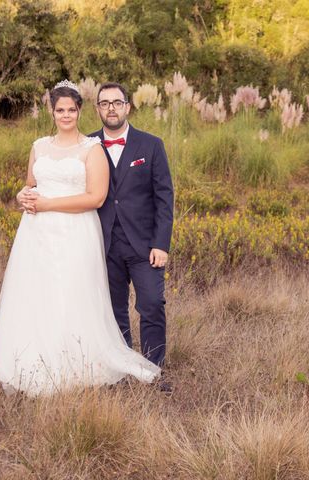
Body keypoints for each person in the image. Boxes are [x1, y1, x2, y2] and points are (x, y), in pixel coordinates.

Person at [0, 80, 160, 397]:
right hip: (36, 234)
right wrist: (21, 197)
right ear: (51, 112)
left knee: (72, 295)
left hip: (75, 232)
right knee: (38, 296)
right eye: (59, 110)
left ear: (80, 111)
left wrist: (48, 205)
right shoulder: (39, 146)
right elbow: (30, 184)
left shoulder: (91, 149)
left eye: (71, 109)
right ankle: (36, 362)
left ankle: (77, 363)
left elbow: (96, 198)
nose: (65, 115)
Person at [88, 83, 174, 374]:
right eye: (104, 103)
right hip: (103, 243)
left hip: (144, 246)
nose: (111, 108)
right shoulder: (86, 145)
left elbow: (164, 198)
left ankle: (152, 368)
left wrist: (161, 244)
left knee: (151, 304)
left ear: (127, 107)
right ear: (98, 108)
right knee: (114, 311)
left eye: (117, 102)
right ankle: (123, 369)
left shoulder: (151, 145)